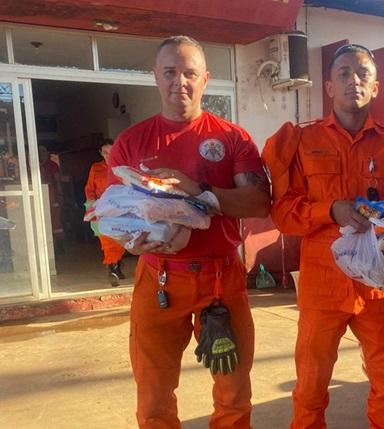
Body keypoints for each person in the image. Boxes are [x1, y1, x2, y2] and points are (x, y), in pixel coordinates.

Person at [262, 44, 384, 428]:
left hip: (380, 284)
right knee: (310, 388)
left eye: (363, 74)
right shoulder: (303, 142)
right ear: (329, 87)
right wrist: (330, 210)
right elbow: (283, 213)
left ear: (376, 87)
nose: (354, 80)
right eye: (344, 74)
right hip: (323, 287)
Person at [107, 35, 270, 429]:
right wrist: (129, 240)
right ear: (156, 77)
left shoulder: (233, 138)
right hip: (157, 278)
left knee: (233, 392)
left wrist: (198, 191)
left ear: (205, 79)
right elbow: (114, 213)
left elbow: (260, 203)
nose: (179, 81)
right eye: (170, 72)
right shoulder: (131, 142)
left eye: (189, 73)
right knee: (153, 394)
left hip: (221, 278)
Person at [84, 139, 126, 286]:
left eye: (111, 151)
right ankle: (112, 269)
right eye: (105, 152)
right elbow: (89, 188)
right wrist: (92, 206)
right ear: (101, 153)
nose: (108, 155)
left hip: (120, 208)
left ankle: (117, 266)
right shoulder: (96, 168)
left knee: (120, 238)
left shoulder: (123, 167)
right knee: (106, 239)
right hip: (101, 208)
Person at [39, 144, 65, 255]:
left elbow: (58, 180)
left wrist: (60, 194)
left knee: (56, 221)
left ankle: (59, 246)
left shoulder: (52, 165)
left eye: (43, 151)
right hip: (41, 196)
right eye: (40, 151)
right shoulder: (36, 165)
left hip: (53, 194)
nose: (41, 153)